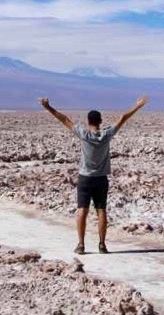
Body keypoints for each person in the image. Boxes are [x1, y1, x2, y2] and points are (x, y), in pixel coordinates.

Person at [38, 95, 149, 255]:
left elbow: (65, 120)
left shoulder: (83, 134)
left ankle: (81, 245)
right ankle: (102, 245)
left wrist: (48, 108)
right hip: (101, 179)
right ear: (100, 121)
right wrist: (137, 106)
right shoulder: (106, 135)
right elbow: (123, 118)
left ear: (88, 121)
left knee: (82, 210)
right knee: (101, 210)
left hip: (85, 178)